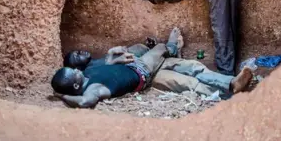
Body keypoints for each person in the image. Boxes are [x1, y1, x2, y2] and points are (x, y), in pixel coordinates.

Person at [63, 28, 254, 100]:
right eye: (76, 56)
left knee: (194, 67)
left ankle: (231, 83)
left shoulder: (102, 60)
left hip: (152, 63)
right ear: (76, 68)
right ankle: (229, 95)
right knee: (188, 83)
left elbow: (133, 52)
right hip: (146, 75)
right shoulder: (91, 71)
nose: (80, 52)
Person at [50, 30, 182, 108]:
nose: (77, 71)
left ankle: (161, 50)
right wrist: (62, 96)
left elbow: (107, 65)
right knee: (160, 48)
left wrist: (116, 58)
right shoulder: (92, 89)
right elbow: (85, 101)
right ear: (75, 84)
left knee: (142, 48)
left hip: (129, 65)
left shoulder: (86, 73)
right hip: (140, 72)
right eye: (74, 73)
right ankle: (172, 47)